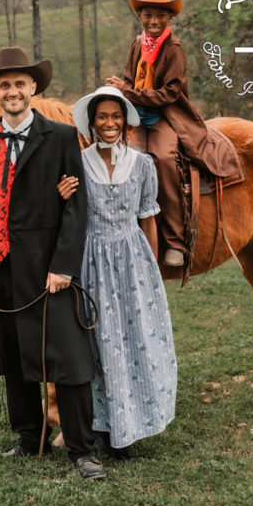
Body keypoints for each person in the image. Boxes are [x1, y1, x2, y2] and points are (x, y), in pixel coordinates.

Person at [0, 46, 106, 482]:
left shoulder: (63, 138)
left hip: (48, 269)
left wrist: (64, 266)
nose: (12, 91)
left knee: (66, 358)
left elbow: (77, 209)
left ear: (33, 88)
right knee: (13, 355)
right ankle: (29, 436)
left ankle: (82, 450)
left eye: (20, 83)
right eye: (4, 84)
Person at [58, 86, 177, 461]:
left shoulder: (142, 164)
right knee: (98, 343)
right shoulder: (77, 162)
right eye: (102, 117)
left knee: (133, 338)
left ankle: (131, 427)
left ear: (124, 121)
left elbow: (148, 219)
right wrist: (60, 195)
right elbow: (68, 215)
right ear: (92, 123)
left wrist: (152, 270)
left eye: (115, 116)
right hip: (91, 258)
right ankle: (101, 427)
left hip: (131, 257)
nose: (109, 123)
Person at [106, 0, 235, 268]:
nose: (153, 21)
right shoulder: (137, 45)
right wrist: (120, 87)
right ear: (140, 16)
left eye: (160, 16)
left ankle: (176, 242)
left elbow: (170, 93)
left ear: (170, 18)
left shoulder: (173, 48)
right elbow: (130, 79)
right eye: (148, 15)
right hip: (136, 114)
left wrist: (129, 92)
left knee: (163, 159)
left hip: (166, 116)